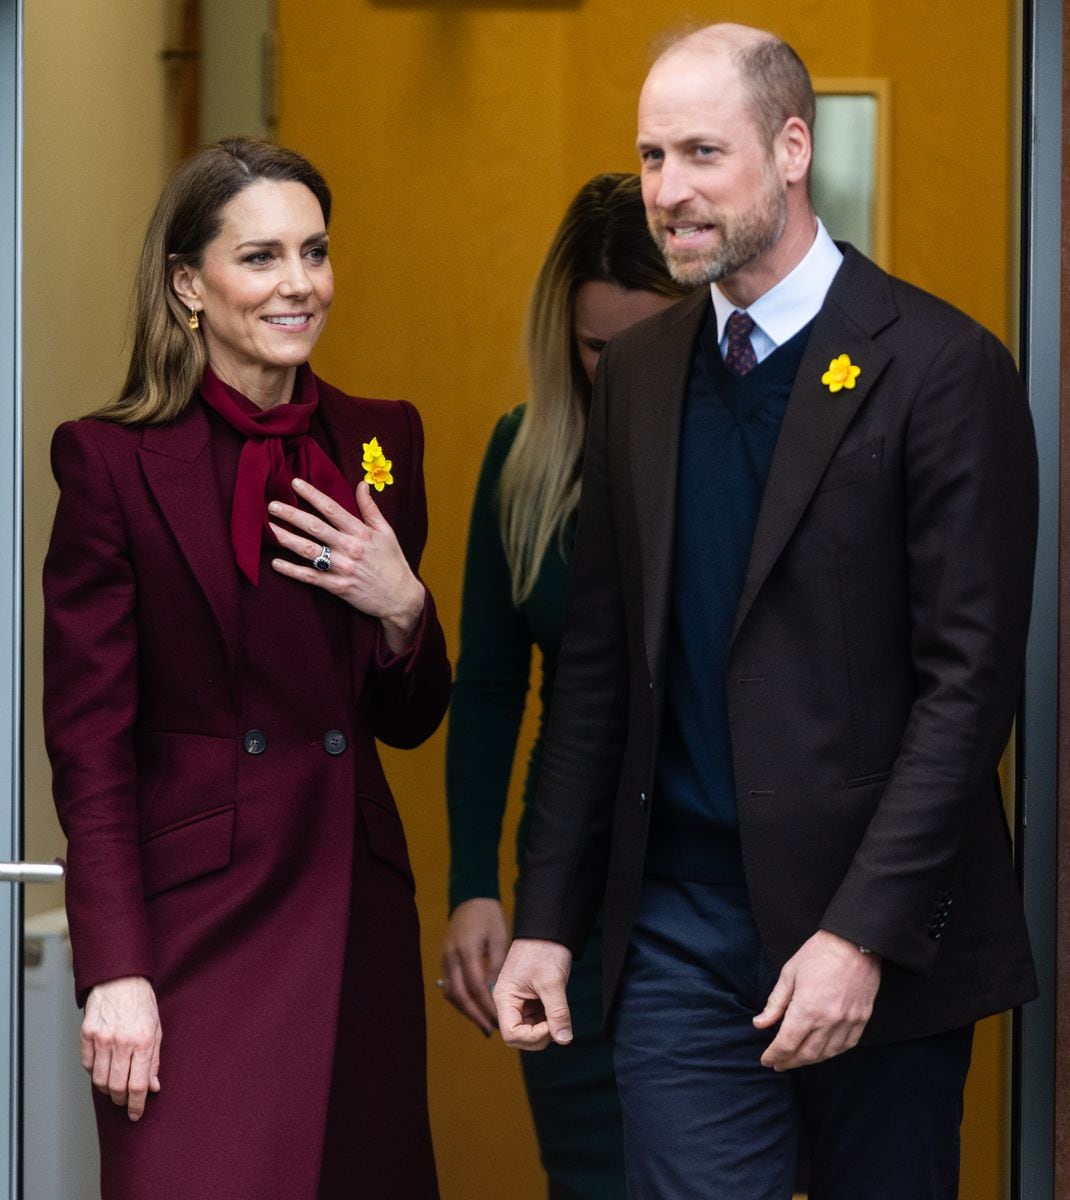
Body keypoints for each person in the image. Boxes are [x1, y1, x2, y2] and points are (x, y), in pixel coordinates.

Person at [493, 23, 1039, 1200]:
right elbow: (594, 675)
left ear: (791, 148)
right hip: (679, 930)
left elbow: (966, 689)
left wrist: (860, 935)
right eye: (649, 158)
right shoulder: (638, 378)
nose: (667, 191)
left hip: (869, 932)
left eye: (700, 152)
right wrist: (547, 917)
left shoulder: (939, 369)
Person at [42, 137, 448, 1200]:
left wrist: (404, 609)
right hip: (191, 935)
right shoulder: (109, 462)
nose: (299, 284)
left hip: (347, 906)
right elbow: (90, 750)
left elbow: (406, 719)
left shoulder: (380, 441)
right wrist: (115, 968)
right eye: (260, 257)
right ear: (189, 283)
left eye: (313, 253)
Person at [440, 173, 690, 1198]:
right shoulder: (524, 454)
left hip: (705, 884)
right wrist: (472, 884)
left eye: (649, 342)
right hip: (568, 895)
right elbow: (491, 689)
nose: (621, 371)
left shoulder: (741, 455)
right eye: (597, 350)